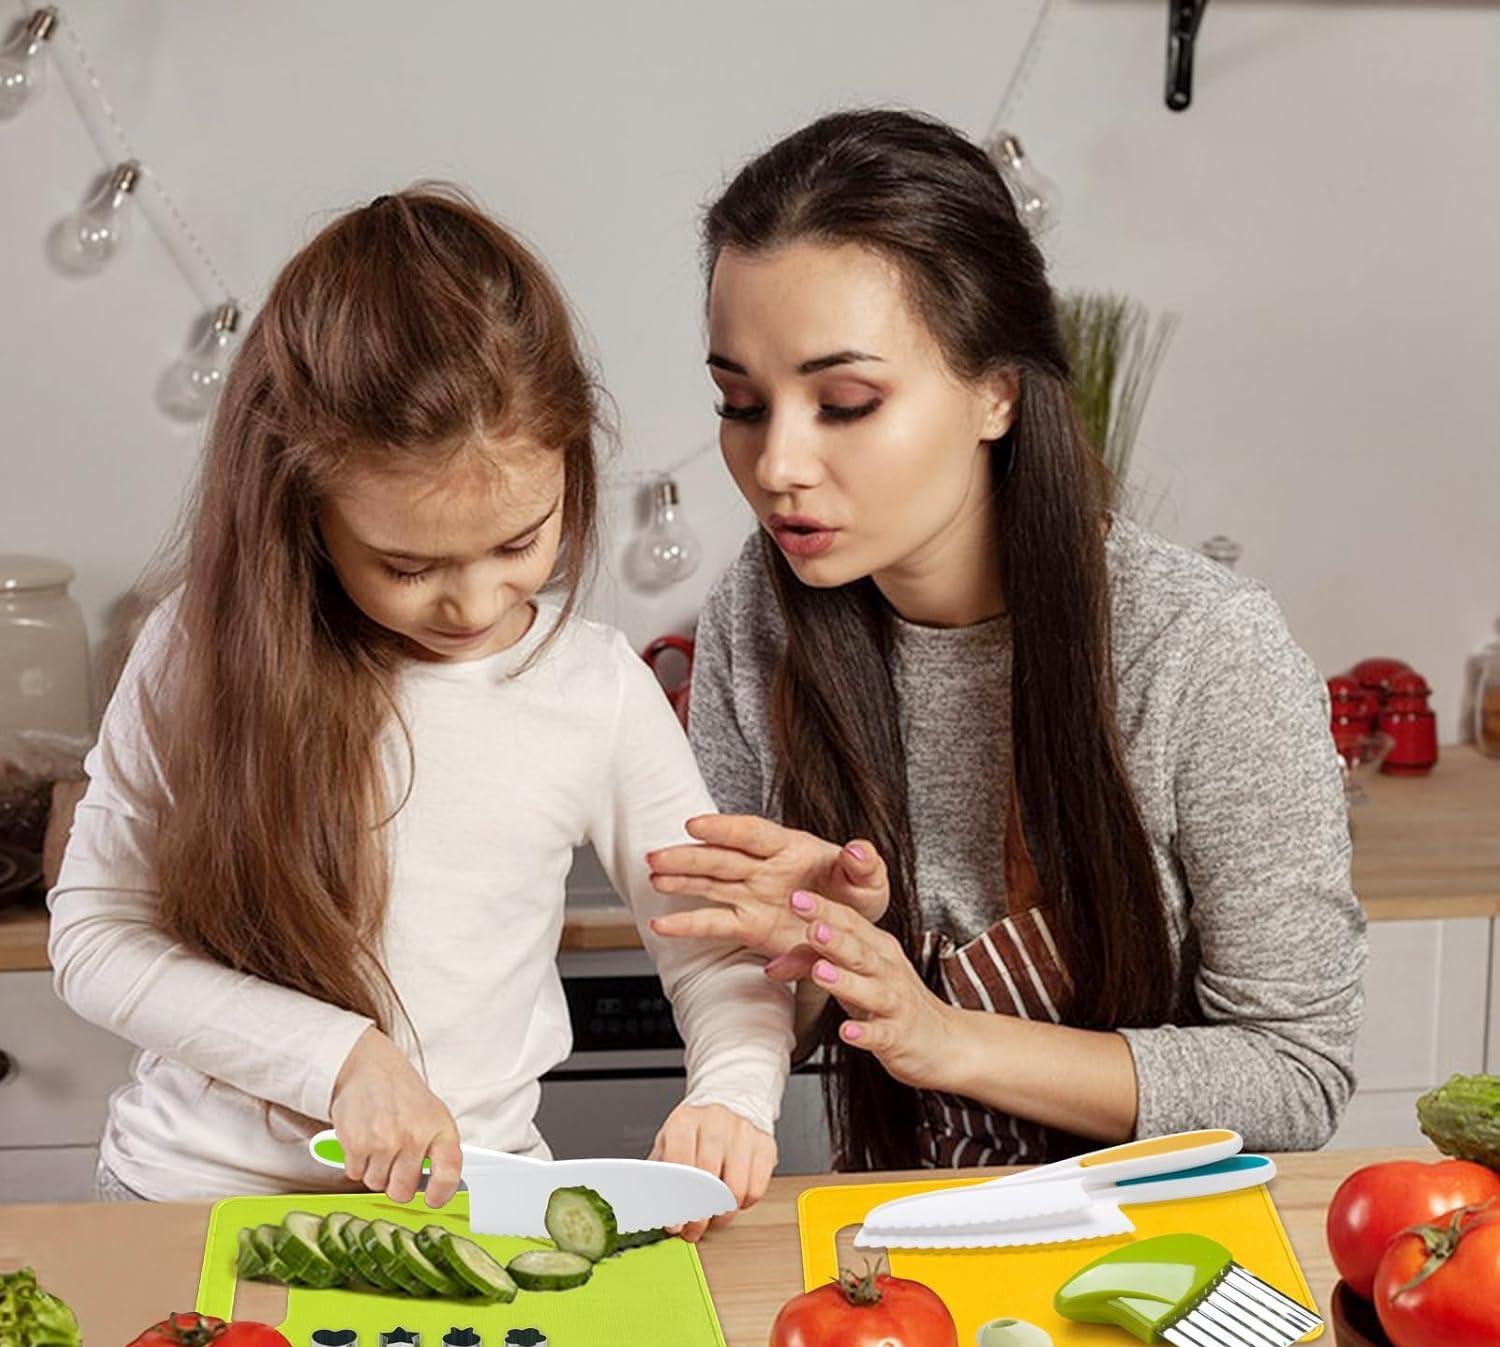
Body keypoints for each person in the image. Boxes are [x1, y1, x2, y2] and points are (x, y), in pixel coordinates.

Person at [49, 187, 790, 1231]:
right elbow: (95, 935)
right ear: (300, 509)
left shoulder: (596, 687)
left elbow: (719, 949)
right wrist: (338, 1059)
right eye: (406, 565)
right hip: (187, 1200)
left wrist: (729, 1096)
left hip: (474, 1209)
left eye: (522, 542)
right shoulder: (195, 649)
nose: (478, 604)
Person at [646, 110, 1364, 1172]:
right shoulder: (762, 614)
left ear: (996, 390)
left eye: (845, 402)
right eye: (740, 403)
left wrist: (951, 1042)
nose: (777, 465)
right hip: (900, 1247)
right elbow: (766, 1000)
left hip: (1161, 1254)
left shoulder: (1201, 652)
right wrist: (810, 952)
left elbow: (1297, 1076)